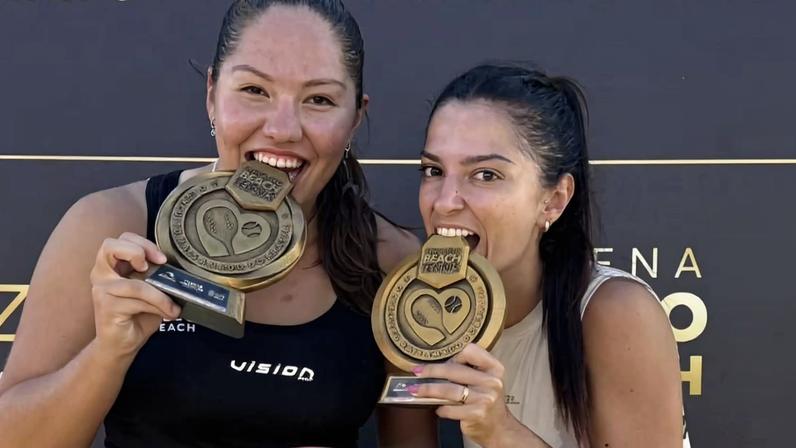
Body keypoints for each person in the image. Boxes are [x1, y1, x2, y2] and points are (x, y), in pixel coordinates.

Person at [0, 1, 436, 447]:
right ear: (212, 94)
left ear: (355, 119)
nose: (283, 129)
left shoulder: (393, 265)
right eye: (254, 90)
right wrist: (108, 354)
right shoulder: (112, 227)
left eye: (319, 100)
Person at [408, 64, 685, 447]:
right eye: (433, 170)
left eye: (486, 175)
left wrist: (501, 431)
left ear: (553, 200)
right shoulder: (420, 315)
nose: (444, 202)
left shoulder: (616, 312)